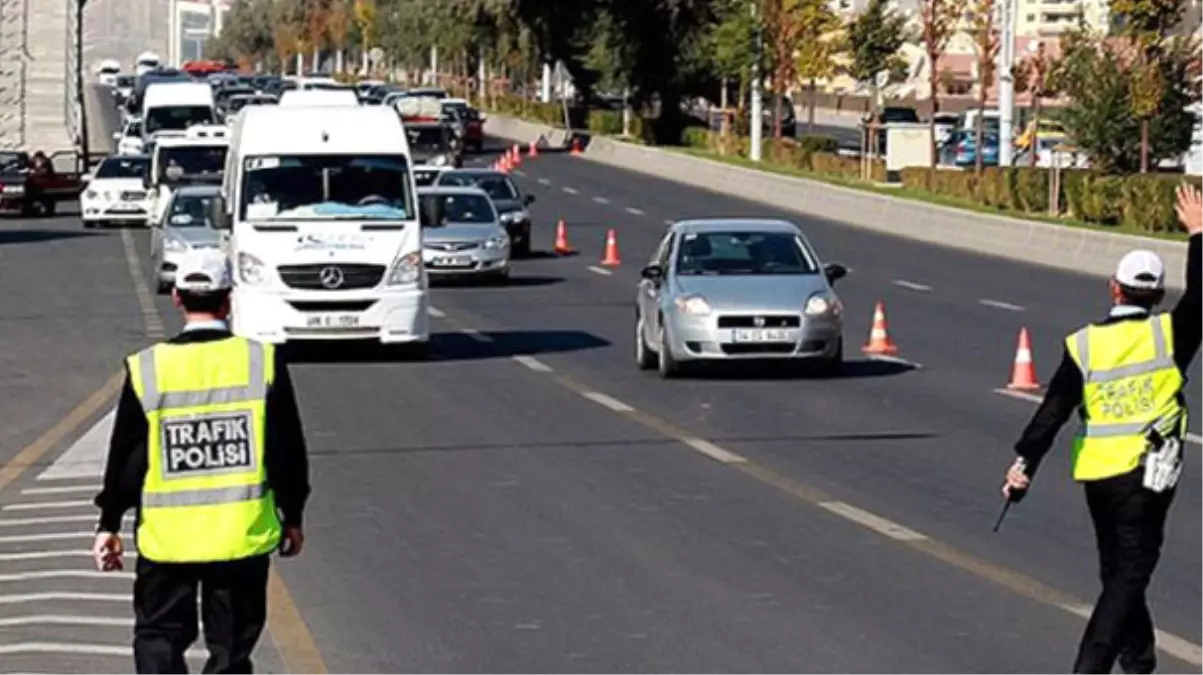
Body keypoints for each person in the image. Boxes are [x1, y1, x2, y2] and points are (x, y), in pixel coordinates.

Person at [1003, 184, 1203, 675]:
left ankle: (1139, 660)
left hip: (1098, 479)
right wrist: (1199, 232)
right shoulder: (1169, 335)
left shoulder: (1083, 346)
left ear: (1113, 288)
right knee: (1127, 576)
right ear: (1157, 296)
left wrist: (1023, 465)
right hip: (1148, 480)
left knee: (1118, 572)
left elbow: (1052, 411)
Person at [92, 248, 311, 675]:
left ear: (176, 297)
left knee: (158, 638)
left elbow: (127, 458)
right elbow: (286, 451)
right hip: (239, 536)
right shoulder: (261, 361)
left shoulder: (148, 368)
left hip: (167, 539)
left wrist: (109, 524)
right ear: (229, 298)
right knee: (231, 648)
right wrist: (294, 515)